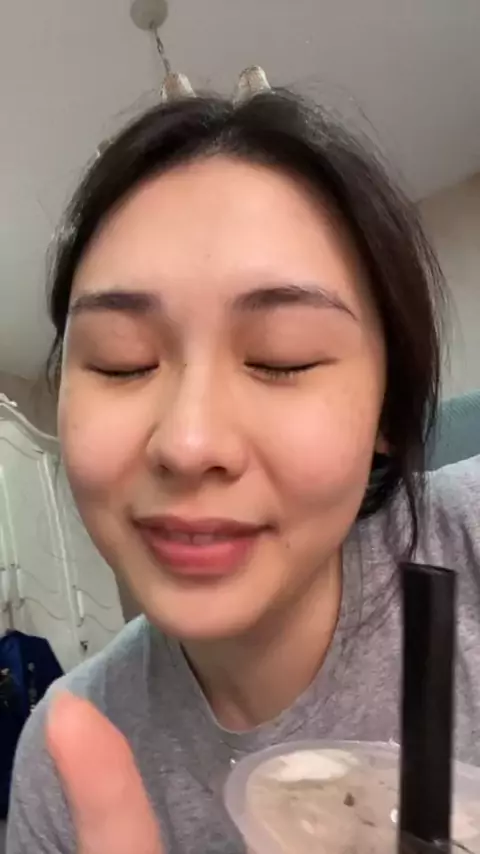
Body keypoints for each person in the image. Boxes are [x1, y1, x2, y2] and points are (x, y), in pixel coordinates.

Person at [6, 83, 480, 854]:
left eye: (281, 357)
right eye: (122, 363)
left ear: (389, 413)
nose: (188, 443)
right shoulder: (61, 764)